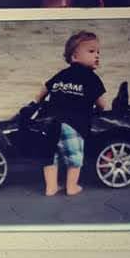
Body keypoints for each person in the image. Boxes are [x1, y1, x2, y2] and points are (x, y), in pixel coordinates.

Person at [35, 30, 109, 197]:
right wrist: (99, 110)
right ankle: (72, 186)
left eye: (98, 52)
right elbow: (102, 104)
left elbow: (41, 93)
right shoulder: (92, 78)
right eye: (91, 51)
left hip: (51, 123)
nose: (97, 55)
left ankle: (51, 187)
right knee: (74, 156)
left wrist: (38, 104)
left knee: (50, 156)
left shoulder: (61, 74)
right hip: (74, 125)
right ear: (75, 57)